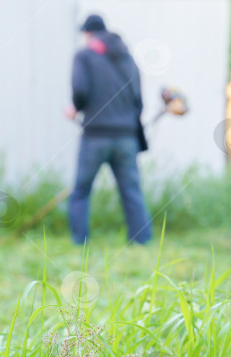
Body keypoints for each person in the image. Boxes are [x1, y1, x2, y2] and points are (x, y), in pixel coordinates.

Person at [64, 14, 152, 245]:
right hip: (126, 137)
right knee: (131, 192)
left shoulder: (84, 56)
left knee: (81, 191)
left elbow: (80, 91)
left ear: (87, 33)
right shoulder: (128, 58)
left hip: (96, 136)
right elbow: (138, 101)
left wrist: (76, 108)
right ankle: (141, 240)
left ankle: (79, 241)